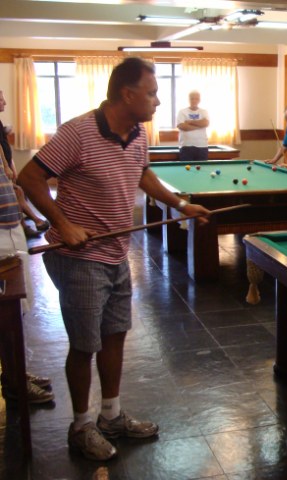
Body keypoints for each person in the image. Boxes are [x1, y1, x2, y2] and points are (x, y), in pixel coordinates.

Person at [18, 57, 210, 461]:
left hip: (117, 253)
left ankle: (111, 416)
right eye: (152, 93)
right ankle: (80, 426)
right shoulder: (78, 132)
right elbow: (29, 177)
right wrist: (63, 224)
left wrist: (180, 204)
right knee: (84, 345)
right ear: (127, 94)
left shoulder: (138, 132)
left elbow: (142, 174)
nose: (158, 101)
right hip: (79, 257)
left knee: (115, 334)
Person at [0, 145, 54, 404]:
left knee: (17, 310)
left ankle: (16, 373)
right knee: (7, 313)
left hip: (10, 227)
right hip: (1, 234)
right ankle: (14, 382)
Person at [0, 90, 50, 238]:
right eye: (1, 100)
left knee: (18, 193)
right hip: (3, 169)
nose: (5, 103)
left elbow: (5, 146)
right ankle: (33, 222)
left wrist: (11, 165)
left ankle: (30, 223)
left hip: (7, 167)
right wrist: (6, 166)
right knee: (17, 193)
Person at [176, 90, 210, 161]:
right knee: (187, 168)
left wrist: (190, 122)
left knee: (202, 167)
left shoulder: (204, 112)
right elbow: (182, 126)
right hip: (186, 146)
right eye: (192, 98)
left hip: (202, 146)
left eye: (196, 98)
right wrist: (199, 125)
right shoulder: (182, 112)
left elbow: (206, 123)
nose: (194, 100)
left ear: (199, 100)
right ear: (189, 99)